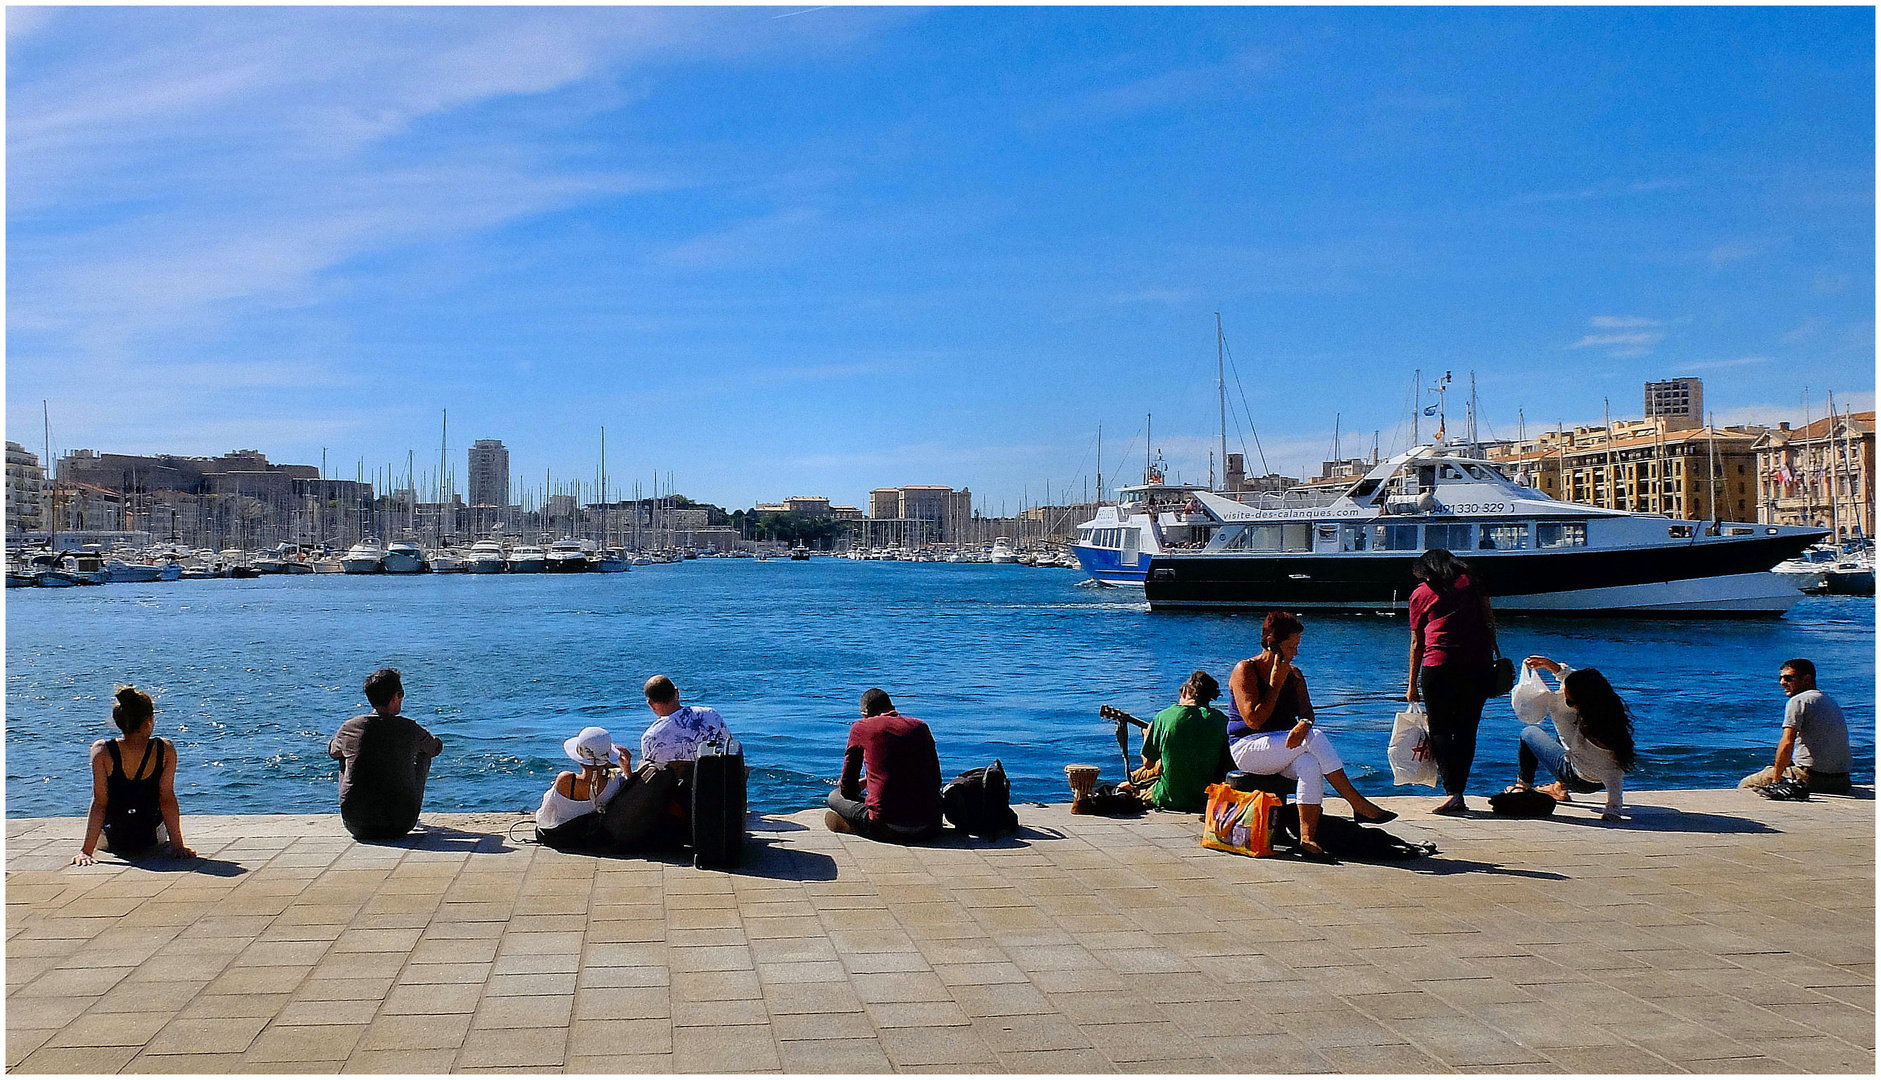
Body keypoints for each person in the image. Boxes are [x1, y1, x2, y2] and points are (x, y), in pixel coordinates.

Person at [1229, 612, 1397, 857]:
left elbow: (1308, 713)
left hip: (1284, 744)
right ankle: (1356, 801)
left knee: (1309, 763)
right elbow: (1254, 721)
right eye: (1290, 646)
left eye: (1297, 646)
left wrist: (1304, 723)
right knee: (1315, 738)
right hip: (1247, 747)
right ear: (1271, 642)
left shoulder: (1295, 674)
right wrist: (1275, 685)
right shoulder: (1246, 669)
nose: (1295, 652)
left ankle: (1307, 838)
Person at [1406, 548, 1497, 814]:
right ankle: (1459, 791)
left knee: (1441, 729)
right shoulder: (1474, 586)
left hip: (1439, 666)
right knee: (1467, 729)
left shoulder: (1421, 594)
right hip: (1478, 665)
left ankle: (1453, 792)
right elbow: (1490, 623)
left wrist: (1411, 684)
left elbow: (1416, 643)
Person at [73, 687, 195, 865]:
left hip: (111, 837)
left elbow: (100, 802)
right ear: (148, 721)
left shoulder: (101, 751)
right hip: (151, 835)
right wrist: (178, 846)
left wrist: (86, 851)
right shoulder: (165, 749)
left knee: (100, 803)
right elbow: (166, 798)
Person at [1507, 657, 1635, 822]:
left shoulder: (1575, 722)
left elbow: (1569, 690)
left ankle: (1523, 785)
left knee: (1529, 733)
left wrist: (1556, 670)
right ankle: (1559, 788)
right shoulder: (1612, 718)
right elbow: (1614, 772)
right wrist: (1613, 809)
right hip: (1600, 781)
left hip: (1577, 778)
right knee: (1575, 748)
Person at [328, 668, 443, 841]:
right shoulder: (409, 728)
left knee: (344, 755)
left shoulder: (350, 727)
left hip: (355, 824)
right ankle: (401, 803)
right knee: (424, 754)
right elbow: (436, 748)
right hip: (400, 823)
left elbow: (332, 751)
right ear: (396, 697)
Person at [826, 688, 944, 842]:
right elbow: (936, 780)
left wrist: (864, 784)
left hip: (886, 826)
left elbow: (847, 788)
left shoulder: (861, 727)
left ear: (865, 714)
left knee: (834, 796)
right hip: (930, 826)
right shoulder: (921, 727)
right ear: (892, 707)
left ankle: (854, 826)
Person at [1740, 658, 1851, 795]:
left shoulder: (1798, 701)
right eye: (1780, 678)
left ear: (1806, 679)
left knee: (1746, 783)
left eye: (1788, 678)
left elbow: (1787, 742)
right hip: (1842, 782)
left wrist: (1776, 781)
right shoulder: (1829, 700)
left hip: (1811, 779)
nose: (1782, 683)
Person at [1132, 671, 1234, 813]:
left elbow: (1148, 764)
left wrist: (1146, 738)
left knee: (1132, 785)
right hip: (1207, 799)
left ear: (1186, 691)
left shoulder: (1164, 716)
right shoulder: (1222, 721)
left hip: (1169, 799)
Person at [536, 727, 629, 851]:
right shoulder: (614, 782)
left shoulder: (566, 779)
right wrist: (626, 768)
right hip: (591, 839)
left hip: (560, 838)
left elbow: (546, 816)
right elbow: (629, 789)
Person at [640, 675, 731, 775]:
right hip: (721, 785)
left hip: (679, 789)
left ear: (651, 704)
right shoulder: (711, 715)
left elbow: (652, 777)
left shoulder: (650, 738)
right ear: (677, 693)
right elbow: (731, 749)